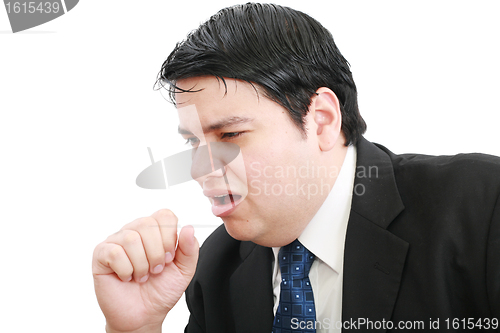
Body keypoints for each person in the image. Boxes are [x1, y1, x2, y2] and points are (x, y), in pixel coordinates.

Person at [92, 3, 500, 332]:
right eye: (192, 142)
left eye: (230, 136)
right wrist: (137, 327)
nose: (200, 169)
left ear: (321, 119)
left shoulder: (481, 209)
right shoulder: (215, 267)